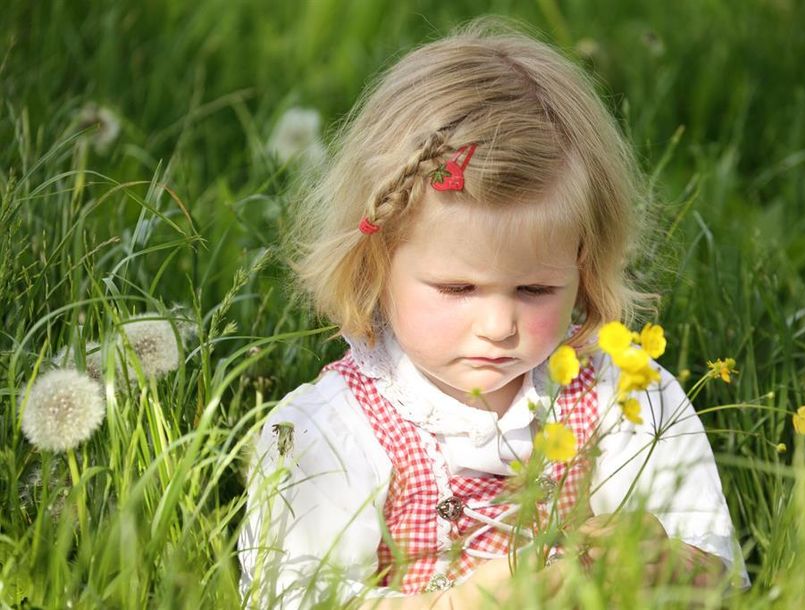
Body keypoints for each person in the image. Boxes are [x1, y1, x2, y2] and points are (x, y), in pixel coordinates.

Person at [238, 17, 747, 609]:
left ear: (585, 266)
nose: (499, 325)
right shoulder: (329, 427)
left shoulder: (624, 395)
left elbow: (719, 569)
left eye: (534, 290)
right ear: (374, 264)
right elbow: (290, 597)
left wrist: (668, 563)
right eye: (458, 288)